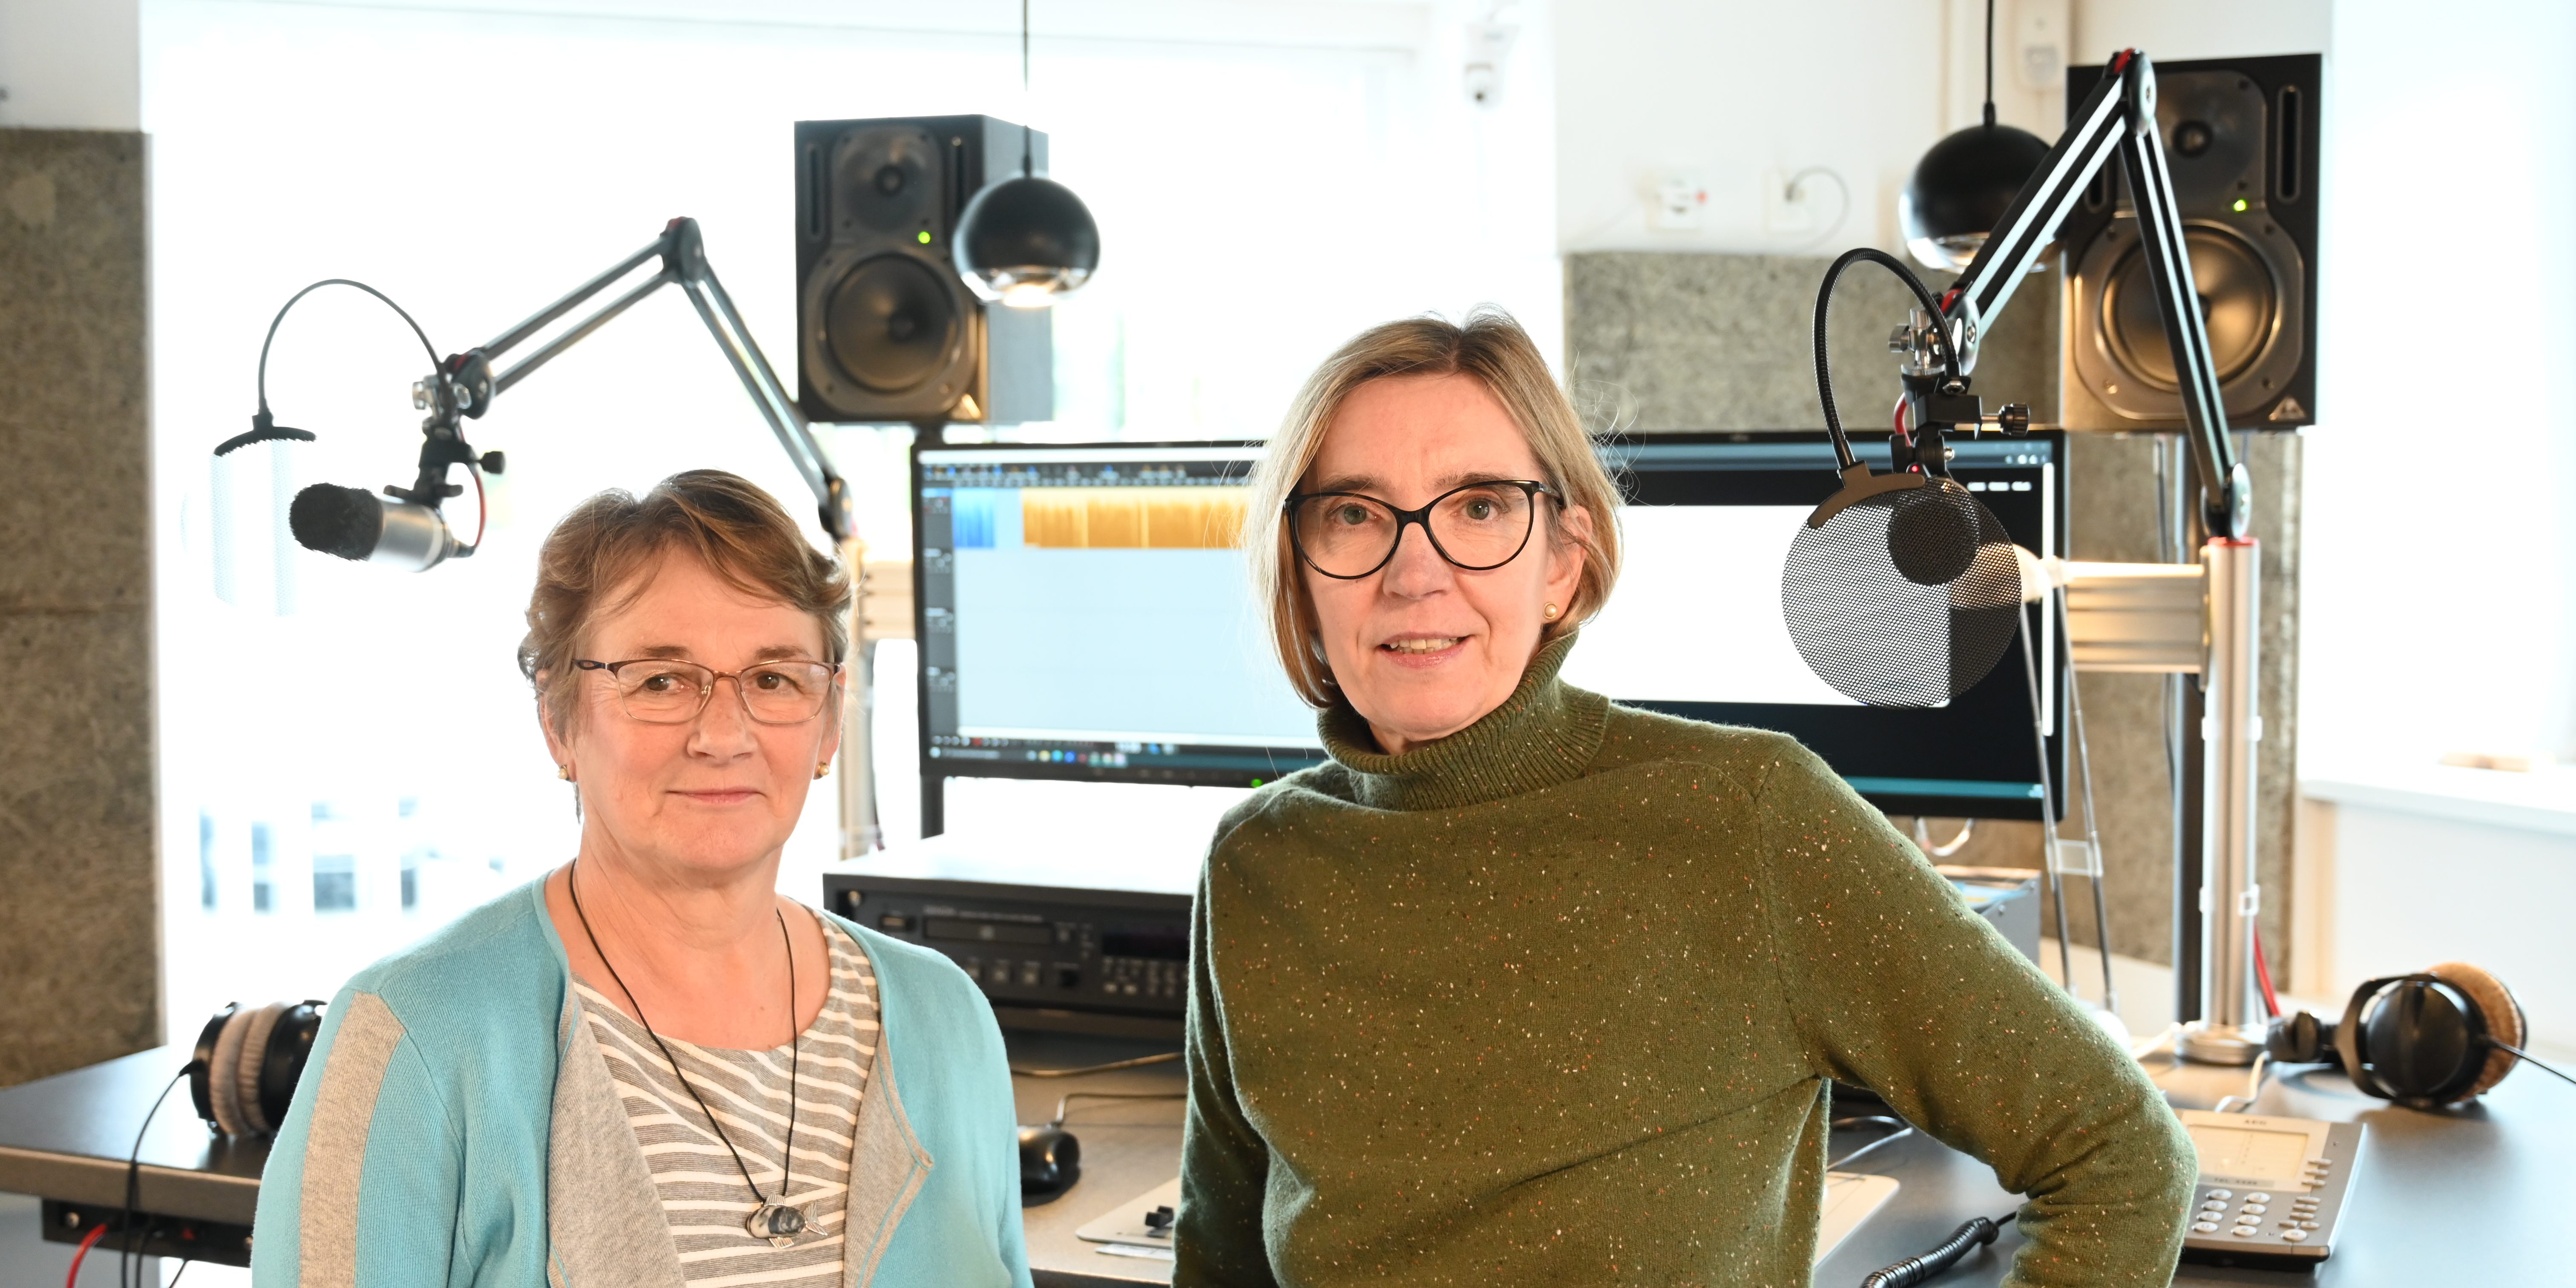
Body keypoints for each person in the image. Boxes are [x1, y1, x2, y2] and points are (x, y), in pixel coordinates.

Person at [1175, 311, 2193, 1286]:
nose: (1414, 572)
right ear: (1300, 570)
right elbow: (1220, 1262)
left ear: (1563, 563)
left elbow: (2122, 1157)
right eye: (1353, 514)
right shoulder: (1258, 864)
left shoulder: (1748, 815)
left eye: (1479, 508)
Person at [254, 470, 1030, 1288]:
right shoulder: (410, 1037)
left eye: (772, 678)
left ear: (831, 718)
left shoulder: (948, 1021)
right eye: (661, 680)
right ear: (558, 721)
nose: (723, 735)